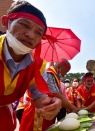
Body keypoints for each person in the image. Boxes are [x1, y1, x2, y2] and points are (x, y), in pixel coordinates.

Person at [0, 0, 62, 130]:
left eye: (39, 32)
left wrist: (50, 105)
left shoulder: (38, 65)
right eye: (24, 25)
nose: (30, 35)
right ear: (6, 22)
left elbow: (40, 96)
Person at [19, 58, 78, 131]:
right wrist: (72, 108)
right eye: (65, 72)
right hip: (37, 110)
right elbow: (56, 94)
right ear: (59, 67)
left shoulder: (55, 76)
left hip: (46, 109)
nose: (64, 74)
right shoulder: (49, 74)